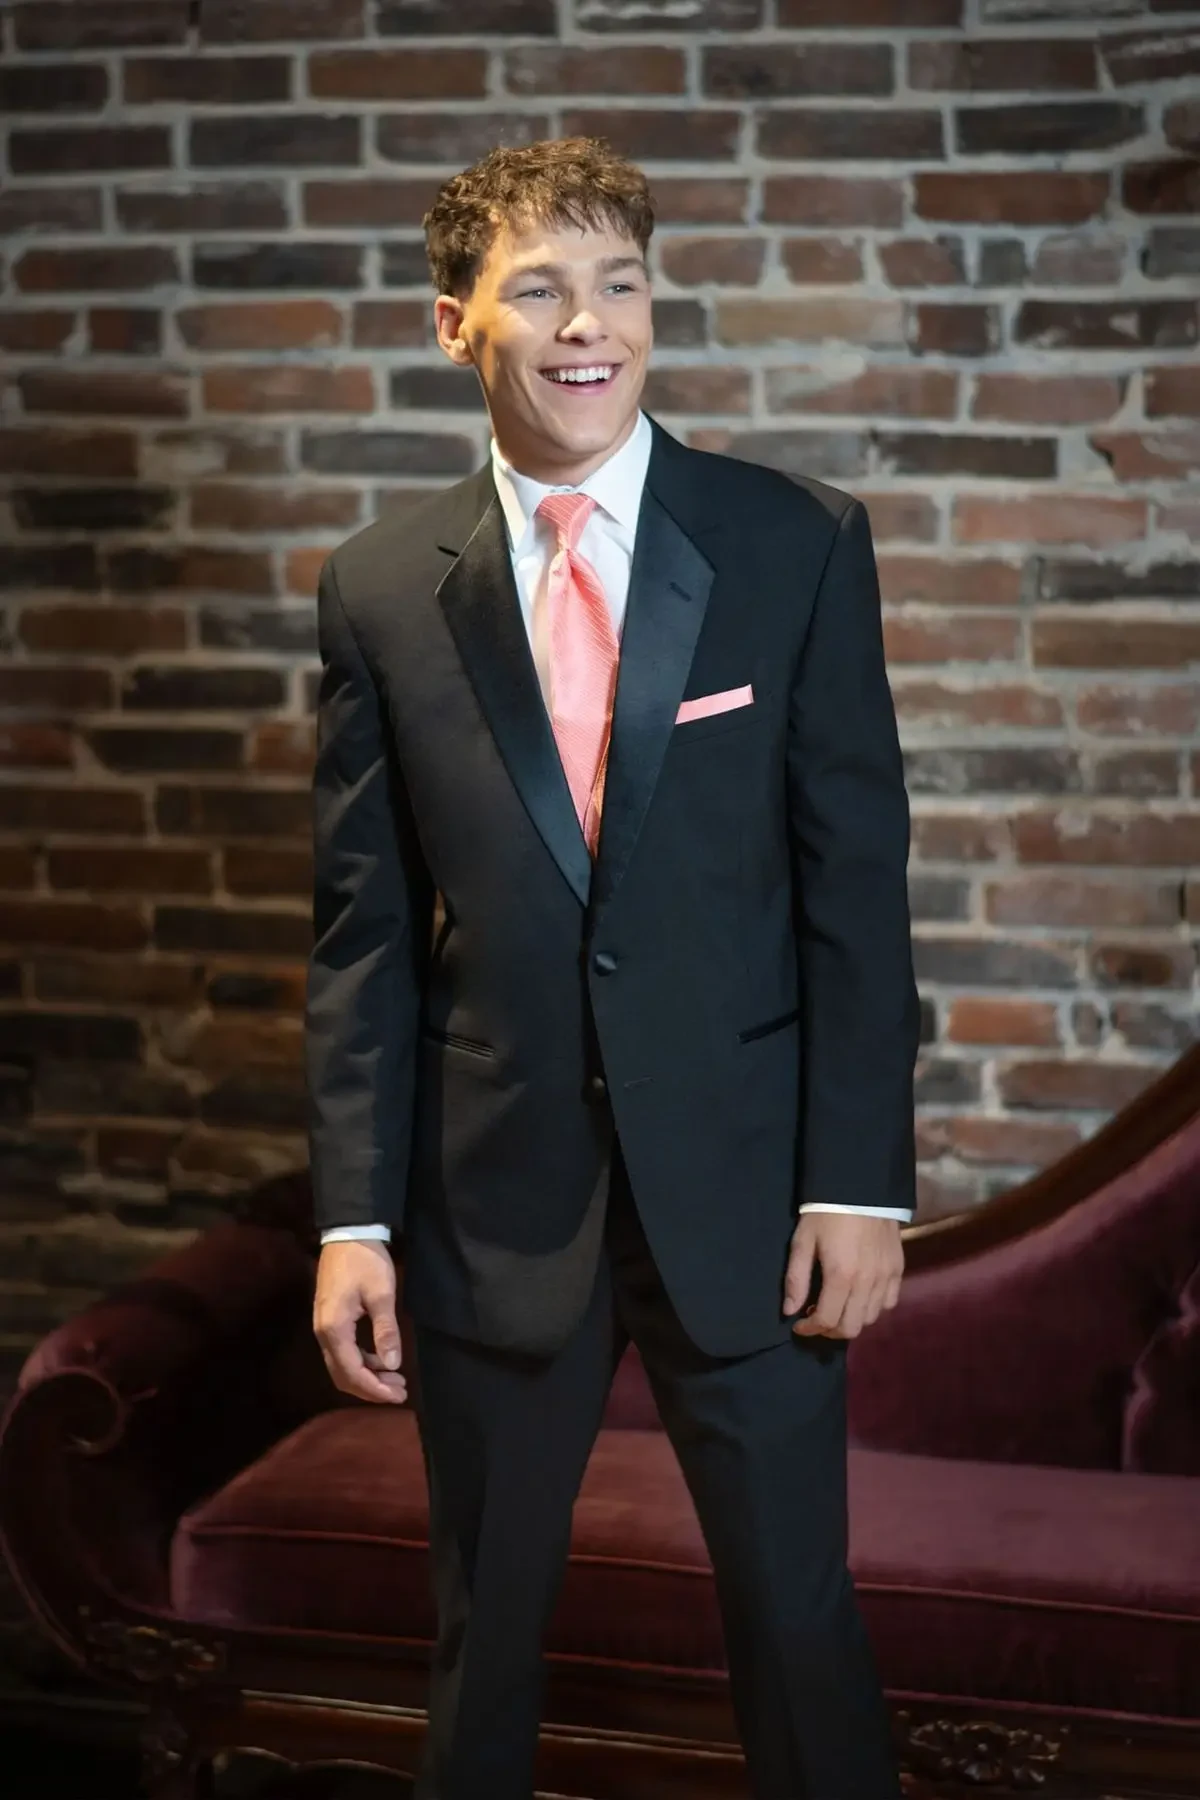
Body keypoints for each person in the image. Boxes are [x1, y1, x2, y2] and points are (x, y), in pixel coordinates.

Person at [306, 135, 921, 1800]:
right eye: (540, 289)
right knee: (482, 1643)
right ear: (455, 323)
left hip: (754, 1202)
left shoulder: (795, 542)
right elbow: (365, 939)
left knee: (799, 1626)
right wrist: (354, 1221)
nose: (590, 324)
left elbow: (857, 892)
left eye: (621, 283)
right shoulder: (378, 591)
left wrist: (859, 1185)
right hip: (494, 1204)